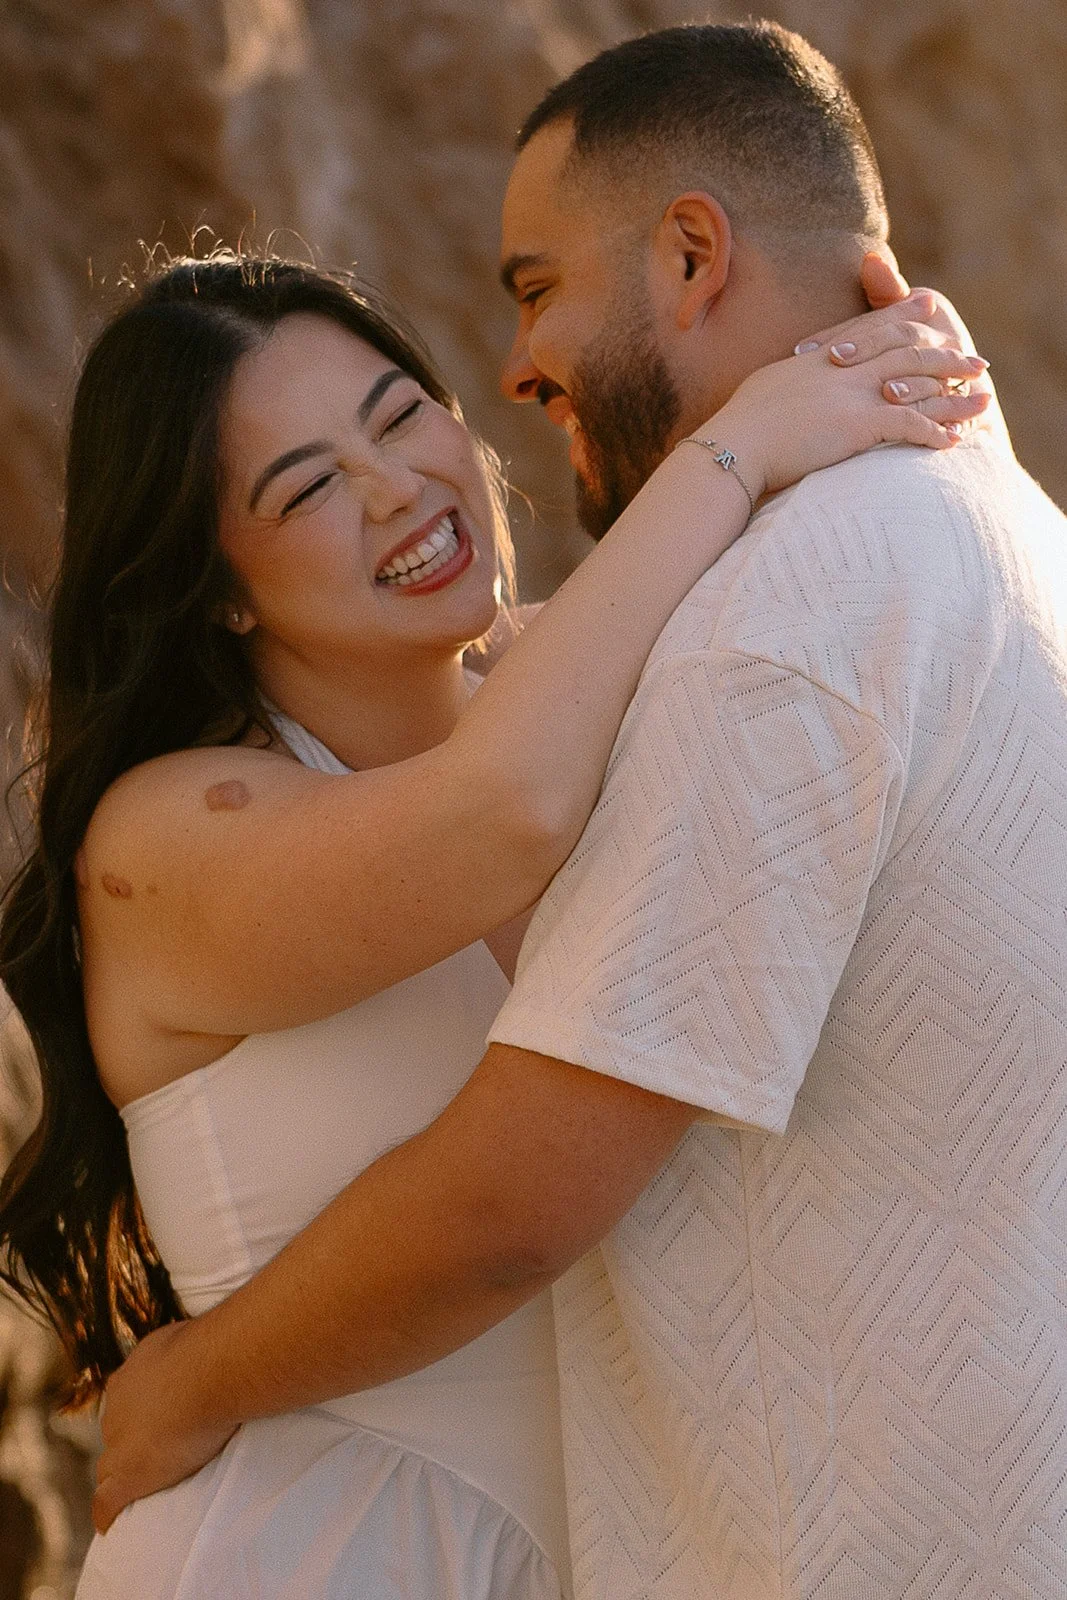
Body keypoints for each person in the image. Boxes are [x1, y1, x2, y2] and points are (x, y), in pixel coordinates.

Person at [89, 20, 1067, 1599]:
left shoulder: (754, 631)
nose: (501, 382)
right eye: (303, 486)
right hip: (333, 1545)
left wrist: (751, 461)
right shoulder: (174, 833)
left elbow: (524, 1180)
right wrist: (741, 450)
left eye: (402, 415)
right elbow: (498, 814)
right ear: (211, 589)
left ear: (691, 254)